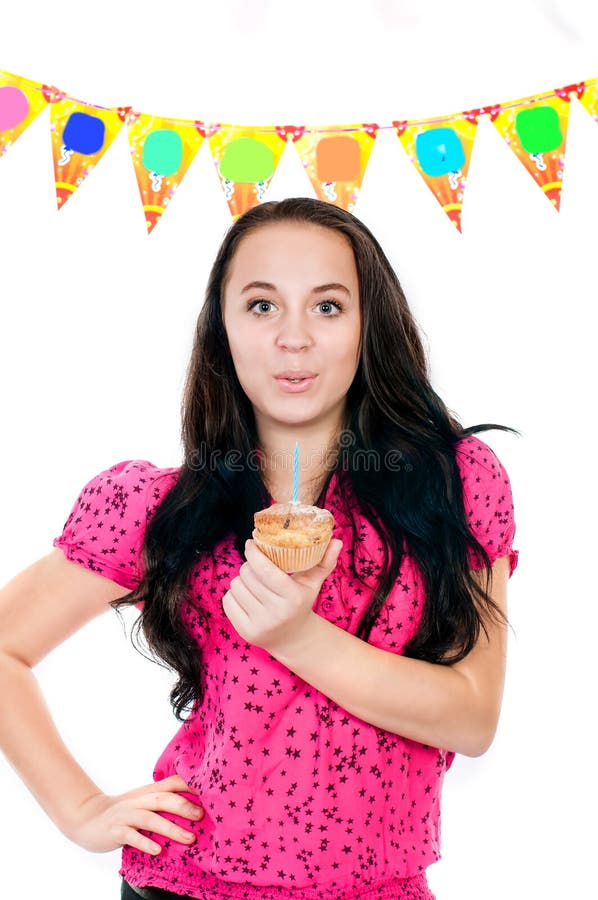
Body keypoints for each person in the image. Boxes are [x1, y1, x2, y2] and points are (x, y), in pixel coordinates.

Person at [0, 197, 520, 900]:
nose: (294, 338)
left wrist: (297, 636)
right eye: (262, 306)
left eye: (328, 306)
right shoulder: (159, 507)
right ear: (223, 330)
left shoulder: (455, 486)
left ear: (371, 327)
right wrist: (81, 810)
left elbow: (472, 715)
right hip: (189, 883)